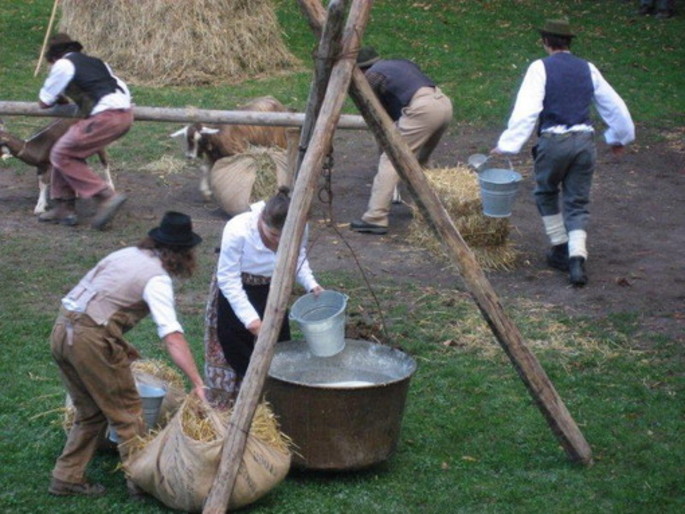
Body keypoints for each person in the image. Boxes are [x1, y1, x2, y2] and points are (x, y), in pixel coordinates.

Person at [48, 211, 206, 498]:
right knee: (128, 413)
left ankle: (66, 477)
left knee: (90, 411)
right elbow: (172, 336)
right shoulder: (157, 279)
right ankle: (141, 482)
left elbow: (96, 298)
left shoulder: (126, 254)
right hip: (89, 341)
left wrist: (114, 340)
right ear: (183, 254)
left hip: (62, 330)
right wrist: (197, 381)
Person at [491, 18, 635, 286]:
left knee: (545, 192)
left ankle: (559, 247)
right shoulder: (587, 68)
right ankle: (577, 257)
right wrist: (619, 137)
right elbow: (614, 106)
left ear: (545, 41)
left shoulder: (540, 67)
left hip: (554, 141)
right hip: (584, 141)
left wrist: (508, 144)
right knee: (577, 201)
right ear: (568, 42)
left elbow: (527, 109)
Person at [216, 186, 323, 379]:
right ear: (262, 219)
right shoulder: (238, 230)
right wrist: (252, 321)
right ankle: (238, 404)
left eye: (285, 238)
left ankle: (272, 399)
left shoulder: (299, 226)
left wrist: (311, 284)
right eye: (273, 235)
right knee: (238, 353)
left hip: (273, 293)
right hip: (238, 292)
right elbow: (228, 279)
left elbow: (298, 256)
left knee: (278, 356)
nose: (279, 242)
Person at [350, 46, 453, 235]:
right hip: (443, 104)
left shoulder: (371, 76)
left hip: (422, 110)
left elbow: (374, 109)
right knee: (420, 161)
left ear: (360, 70)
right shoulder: (398, 63)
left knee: (392, 159)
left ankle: (376, 217)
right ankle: (430, 210)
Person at [37, 33, 132, 229]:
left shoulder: (63, 65)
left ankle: (105, 196)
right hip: (124, 115)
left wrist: (57, 96)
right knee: (67, 153)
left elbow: (44, 102)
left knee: (61, 153)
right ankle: (64, 206)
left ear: (54, 56)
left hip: (106, 116)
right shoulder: (98, 63)